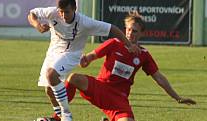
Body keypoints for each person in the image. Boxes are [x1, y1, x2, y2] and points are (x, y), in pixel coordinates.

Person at [64, 11, 196, 121]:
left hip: (119, 98)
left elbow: (159, 78)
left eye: (134, 31)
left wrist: (177, 98)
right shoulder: (113, 43)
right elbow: (90, 57)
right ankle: (58, 117)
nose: (130, 33)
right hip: (101, 88)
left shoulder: (144, 55)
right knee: (73, 78)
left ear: (141, 33)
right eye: (128, 29)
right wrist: (84, 60)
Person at [27, 0, 140, 121]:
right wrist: (37, 25)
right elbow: (31, 14)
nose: (63, 15)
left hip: (71, 54)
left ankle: (66, 115)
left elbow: (113, 29)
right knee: (49, 89)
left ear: (75, 8)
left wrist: (128, 45)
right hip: (53, 52)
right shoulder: (52, 13)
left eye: (67, 12)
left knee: (51, 75)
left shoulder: (85, 22)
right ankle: (59, 117)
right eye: (61, 12)